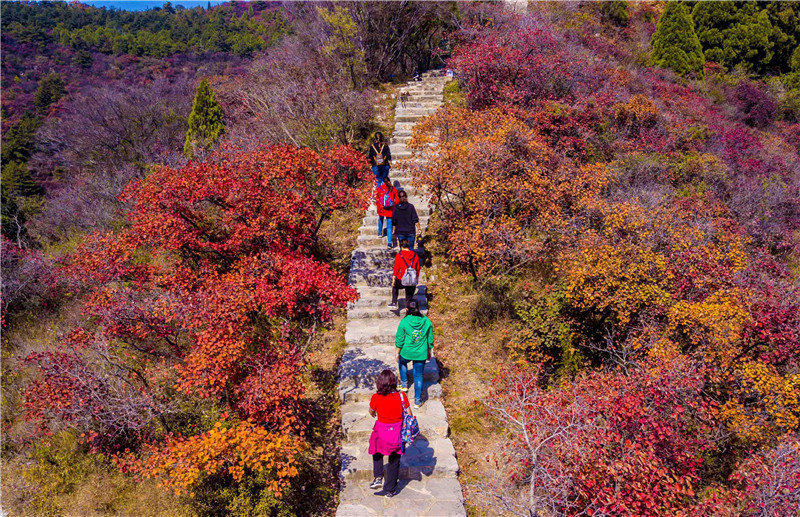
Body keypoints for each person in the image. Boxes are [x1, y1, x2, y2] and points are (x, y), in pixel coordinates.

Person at [368, 369, 411, 497]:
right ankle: (390, 490)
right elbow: (409, 414)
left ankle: (378, 477)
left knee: (376, 450)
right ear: (394, 382)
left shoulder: (376, 397)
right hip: (396, 432)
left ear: (380, 383)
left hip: (381, 430)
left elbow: (371, 411)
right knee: (394, 460)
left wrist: (375, 413)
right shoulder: (402, 396)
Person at [395, 299, 434, 409]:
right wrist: (429, 352)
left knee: (402, 362)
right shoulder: (426, 321)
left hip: (406, 351)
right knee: (418, 376)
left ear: (407, 309)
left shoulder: (404, 321)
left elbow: (400, 339)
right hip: (420, 353)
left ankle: (404, 385)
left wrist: (397, 353)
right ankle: (417, 401)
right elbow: (430, 339)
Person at [389, 238, 420, 310]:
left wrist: (393, 279)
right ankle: (408, 310)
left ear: (401, 246)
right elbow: (417, 268)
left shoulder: (399, 255)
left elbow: (396, 268)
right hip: (412, 280)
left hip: (401, 279)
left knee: (395, 287)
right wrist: (416, 278)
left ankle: (394, 302)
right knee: (409, 298)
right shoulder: (415, 255)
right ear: (409, 246)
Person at [375, 177, 399, 248]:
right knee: (389, 227)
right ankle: (389, 242)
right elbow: (397, 200)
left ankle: (379, 232)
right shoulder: (393, 189)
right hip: (390, 209)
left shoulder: (379, 189)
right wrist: (393, 205)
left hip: (382, 208)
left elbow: (377, 198)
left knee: (380, 219)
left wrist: (380, 206)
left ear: (383, 182)